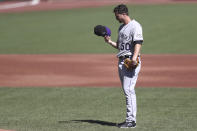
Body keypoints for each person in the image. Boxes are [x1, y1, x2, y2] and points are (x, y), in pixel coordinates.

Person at [104, 4, 143, 128]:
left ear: (123, 14)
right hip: (121, 62)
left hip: (130, 62)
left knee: (129, 90)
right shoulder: (121, 28)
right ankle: (130, 119)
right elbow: (121, 47)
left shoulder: (135, 26)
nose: (116, 17)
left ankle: (131, 121)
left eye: (117, 15)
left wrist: (134, 58)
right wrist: (109, 42)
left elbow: (138, 43)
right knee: (127, 90)